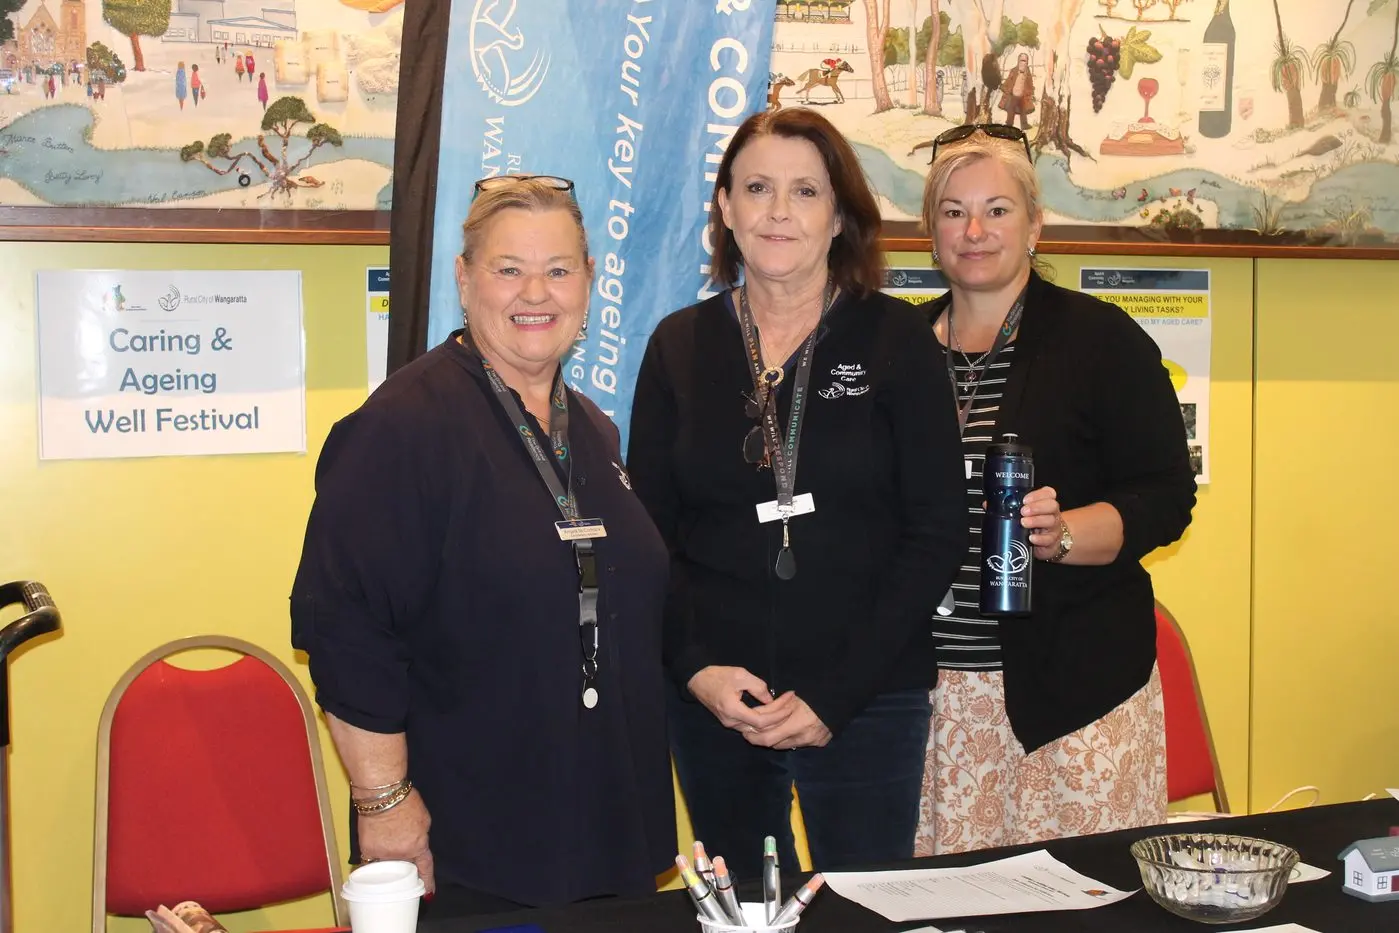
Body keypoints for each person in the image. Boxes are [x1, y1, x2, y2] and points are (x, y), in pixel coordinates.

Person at [291, 176, 676, 917]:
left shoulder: (592, 428)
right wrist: (385, 802)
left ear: (588, 282)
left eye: (559, 269)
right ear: (464, 279)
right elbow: (345, 629)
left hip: (604, 824)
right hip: (472, 842)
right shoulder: (401, 429)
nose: (536, 291)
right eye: (508, 269)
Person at [628, 108, 966, 879]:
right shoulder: (678, 346)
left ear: (839, 215)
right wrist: (694, 669)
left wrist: (835, 695)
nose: (778, 212)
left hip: (867, 697)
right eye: (756, 188)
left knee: (865, 908)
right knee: (743, 911)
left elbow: (937, 532)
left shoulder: (897, 341)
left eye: (805, 192)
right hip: (719, 700)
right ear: (724, 207)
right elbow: (650, 538)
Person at [910, 124, 1196, 856]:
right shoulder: (893, 349)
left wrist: (1065, 532)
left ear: (1034, 223)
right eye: (951, 210)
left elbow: (1166, 494)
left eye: (997, 209)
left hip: (1074, 701)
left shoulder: (1101, 341)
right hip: (926, 702)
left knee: (1079, 905)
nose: (973, 230)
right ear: (929, 230)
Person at [999, 53, 1035, 130]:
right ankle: (1009, 124)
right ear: (1018, 61)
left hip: (1022, 95)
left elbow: (1030, 83)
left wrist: (1031, 91)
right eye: (1021, 61)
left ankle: (1024, 124)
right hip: (1013, 94)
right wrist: (1004, 87)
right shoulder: (1013, 71)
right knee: (1011, 109)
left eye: (1025, 61)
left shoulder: (1028, 73)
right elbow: (1009, 80)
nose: (1023, 63)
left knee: (1023, 110)